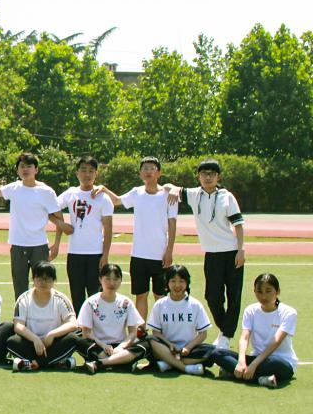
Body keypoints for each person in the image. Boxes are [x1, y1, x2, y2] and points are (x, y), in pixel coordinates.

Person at [167, 159, 246, 349]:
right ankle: (225, 331)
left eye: (212, 174)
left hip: (231, 252)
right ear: (198, 176)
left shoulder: (227, 197)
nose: (208, 177)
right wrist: (173, 188)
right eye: (204, 174)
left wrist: (241, 250)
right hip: (211, 255)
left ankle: (225, 337)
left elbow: (238, 225)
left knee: (233, 297)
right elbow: (169, 187)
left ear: (219, 177)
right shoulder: (194, 194)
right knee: (212, 297)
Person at [0, 152, 73, 299]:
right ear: (17, 170)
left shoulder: (46, 191)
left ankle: (42, 312)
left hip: (39, 245)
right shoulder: (14, 188)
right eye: (22, 166)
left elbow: (59, 219)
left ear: (36, 169)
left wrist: (57, 244)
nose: (25, 169)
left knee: (43, 285)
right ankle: (20, 313)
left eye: (29, 166)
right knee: (19, 287)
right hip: (18, 245)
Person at [93, 157, 178, 321]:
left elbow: (172, 224)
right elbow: (117, 201)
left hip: (160, 255)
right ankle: (141, 330)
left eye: (152, 168)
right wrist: (103, 189)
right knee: (141, 295)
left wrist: (169, 251)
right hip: (139, 255)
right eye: (145, 168)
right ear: (140, 173)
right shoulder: (136, 193)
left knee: (160, 297)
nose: (148, 172)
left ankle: (161, 330)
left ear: (159, 173)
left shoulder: (169, 195)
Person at [208, 273, 297, 388]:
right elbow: (244, 338)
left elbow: (276, 342)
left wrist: (253, 365)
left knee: (276, 364)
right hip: (255, 358)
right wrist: (241, 362)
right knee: (216, 353)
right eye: (259, 291)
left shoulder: (289, 312)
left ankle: (234, 374)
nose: (263, 296)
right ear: (254, 292)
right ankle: (260, 379)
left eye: (268, 291)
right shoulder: (250, 310)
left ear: (278, 291)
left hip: (280, 361)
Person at [50, 156, 115, 314]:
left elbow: (108, 229)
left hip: (95, 254)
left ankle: (96, 325)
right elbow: (48, 209)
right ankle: (79, 326)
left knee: (95, 295)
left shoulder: (103, 198)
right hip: (75, 253)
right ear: (77, 173)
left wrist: (105, 255)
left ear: (96, 174)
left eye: (91, 171)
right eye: (83, 170)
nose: (87, 174)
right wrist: (61, 224)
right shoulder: (71, 193)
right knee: (77, 295)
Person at [76, 264, 149, 375]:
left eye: (116, 279)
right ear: (100, 279)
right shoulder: (91, 302)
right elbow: (86, 333)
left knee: (146, 342)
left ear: (121, 281)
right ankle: (123, 361)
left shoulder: (125, 302)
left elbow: (133, 333)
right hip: (99, 346)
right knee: (79, 341)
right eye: (108, 279)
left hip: (121, 346)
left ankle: (101, 363)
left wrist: (120, 347)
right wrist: (103, 345)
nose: (111, 283)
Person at [7, 261, 79, 372]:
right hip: (31, 343)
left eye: (48, 279)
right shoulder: (24, 299)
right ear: (33, 279)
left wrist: (52, 334)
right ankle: (55, 362)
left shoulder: (61, 299)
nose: (43, 282)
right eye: (39, 279)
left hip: (54, 343)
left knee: (73, 339)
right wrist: (35, 339)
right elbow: (18, 326)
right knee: (12, 342)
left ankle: (33, 363)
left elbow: (73, 323)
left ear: (54, 281)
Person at [145, 265, 214, 376]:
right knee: (150, 340)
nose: (177, 285)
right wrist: (170, 345)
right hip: (166, 348)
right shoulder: (160, 304)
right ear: (167, 283)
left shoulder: (195, 305)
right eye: (173, 281)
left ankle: (168, 363)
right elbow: (156, 333)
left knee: (212, 351)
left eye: (181, 281)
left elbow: (203, 334)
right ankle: (185, 368)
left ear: (187, 283)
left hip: (189, 350)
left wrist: (188, 348)